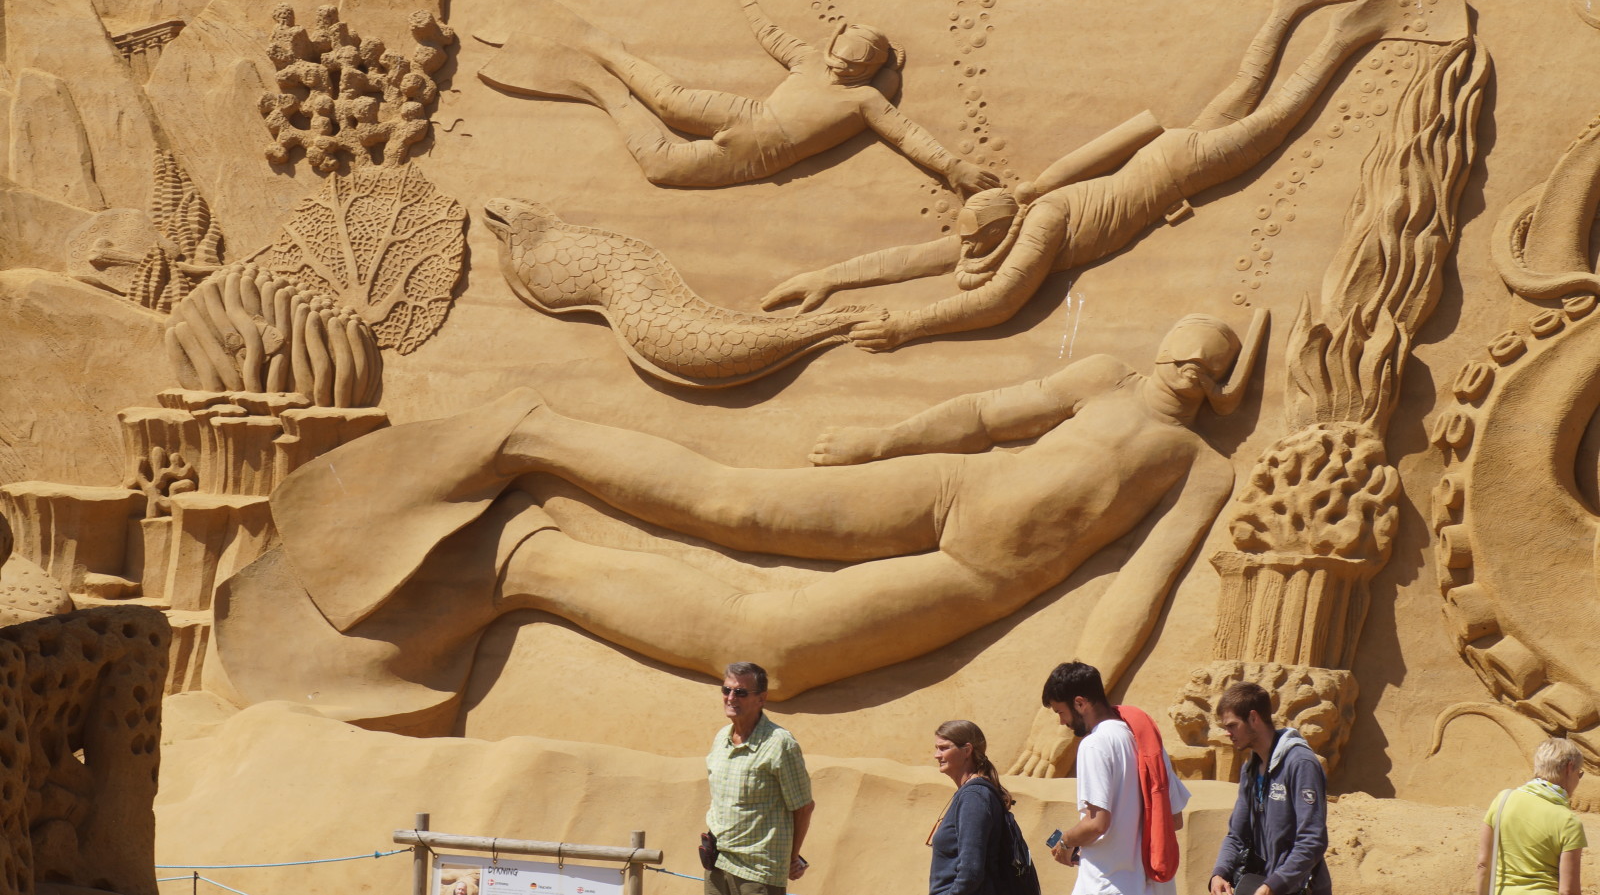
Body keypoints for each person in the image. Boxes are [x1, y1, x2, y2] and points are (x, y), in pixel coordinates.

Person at [213, 311, 1266, 728]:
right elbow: (988, 416)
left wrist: (1079, 706)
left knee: (771, 646)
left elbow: (1142, 586)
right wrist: (879, 441)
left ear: (1219, 387)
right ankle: (534, 435)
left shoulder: (1196, 469)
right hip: (948, 487)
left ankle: (525, 561)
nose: (1182, 367)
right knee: (734, 499)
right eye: (1178, 349)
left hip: (978, 577)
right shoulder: (1098, 376)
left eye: (1203, 365)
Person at [759, 0, 1469, 354]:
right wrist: (827, 278)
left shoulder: (1038, 226)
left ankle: (1353, 30)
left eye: (974, 240)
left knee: (1280, 112)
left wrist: (906, 326)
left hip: (1184, 166)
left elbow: (999, 303)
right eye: (970, 239)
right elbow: (921, 257)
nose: (965, 248)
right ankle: (1289, 6)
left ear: (999, 229)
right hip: (1165, 153)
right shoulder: (1021, 211)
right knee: (1249, 86)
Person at [477, 0, 998, 192]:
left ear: (870, 71)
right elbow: (771, 36)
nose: (840, 69)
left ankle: (600, 88)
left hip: (763, 156)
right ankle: (601, 47)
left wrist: (954, 167)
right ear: (831, 47)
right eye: (838, 58)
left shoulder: (866, 101)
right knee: (666, 99)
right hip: (747, 114)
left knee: (660, 167)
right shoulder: (810, 61)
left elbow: (909, 136)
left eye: (853, 67)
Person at [1041, 662, 1189, 895]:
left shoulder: (1094, 744)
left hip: (1109, 884)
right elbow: (1174, 819)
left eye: (1060, 712)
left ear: (1079, 703)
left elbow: (1097, 824)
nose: (1062, 722)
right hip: (1154, 885)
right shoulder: (1146, 742)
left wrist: (1066, 842)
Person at [1209, 682, 1330, 895]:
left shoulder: (1300, 763)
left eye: (1232, 725)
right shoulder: (1250, 768)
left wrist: (1274, 884)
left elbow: (1312, 840)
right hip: (1261, 883)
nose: (1227, 733)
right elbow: (1237, 835)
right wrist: (1220, 873)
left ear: (1253, 718)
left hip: (1297, 888)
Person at [705, 662, 814, 895]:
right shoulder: (721, 738)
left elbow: (803, 807)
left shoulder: (780, 743)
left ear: (761, 698)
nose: (731, 697)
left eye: (740, 692)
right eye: (726, 690)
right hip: (717, 864)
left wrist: (792, 857)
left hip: (757, 872)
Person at [1476, 737, 1586, 895]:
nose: (1578, 781)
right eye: (1579, 774)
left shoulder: (1503, 800)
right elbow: (1567, 890)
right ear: (1569, 768)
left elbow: (1483, 864)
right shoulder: (1569, 821)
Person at [929, 720, 1018, 895]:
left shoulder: (974, 796)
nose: (936, 755)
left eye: (944, 748)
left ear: (967, 750)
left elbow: (970, 872)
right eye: (937, 748)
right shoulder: (971, 793)